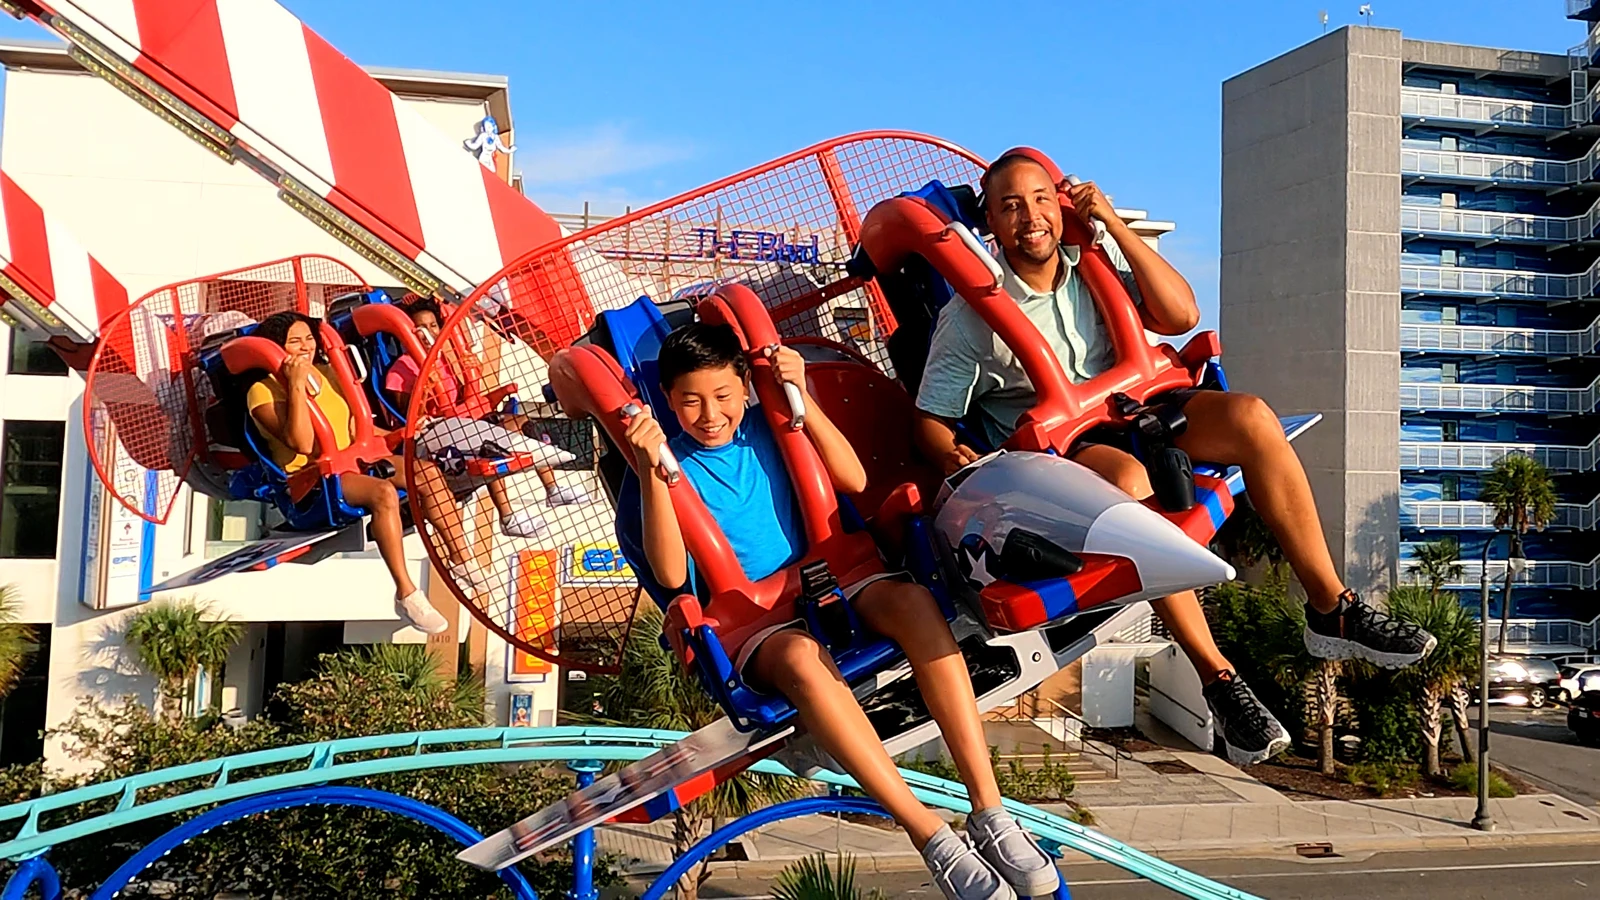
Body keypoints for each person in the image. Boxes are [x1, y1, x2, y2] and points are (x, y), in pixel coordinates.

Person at [911, 152, 1437, 766]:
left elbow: (1180, 315)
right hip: (1065, 447)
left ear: (1061, 205)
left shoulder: (1094, 266)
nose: (1030, 217)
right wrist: (955, 454)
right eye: (1010, 206)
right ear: (992, 226)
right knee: (1131, 487)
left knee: (1251, 418)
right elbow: (930, 418)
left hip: (1141, 410)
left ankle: (1331, 608)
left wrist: (1110, 223)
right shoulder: (973, 313)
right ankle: (1218, 678)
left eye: (1041, 200)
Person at [625, 323, 1052, 900]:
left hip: (831, 579)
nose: (708, 414)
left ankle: (991, 811)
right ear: (667, 400)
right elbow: (673, 575)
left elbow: (851, 478)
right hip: (755, 619)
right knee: (803, 659)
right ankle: (931, 836)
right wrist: (651, 467)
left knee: (914, 603)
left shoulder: (773, 426)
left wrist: (804, 400)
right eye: (690, 401)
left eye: (722, 396)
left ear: (745, 386)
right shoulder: (664, 463)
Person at [247, 311, 495, 635]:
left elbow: (356, 426)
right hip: (313, 481)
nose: (305, 346)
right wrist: (294, 384)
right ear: (277, 348)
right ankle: (406, 592)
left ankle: (461, 560)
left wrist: (400, 433)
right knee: (383, 493)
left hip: (355, 460)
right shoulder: (261, 391)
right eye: (295, 341)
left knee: (426, 474)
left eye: (309, 338)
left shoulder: (327, 374)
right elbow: (303, 442)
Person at [386, 296, 591, 533]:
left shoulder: (444, 360)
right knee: (489, 447)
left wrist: (476, 375)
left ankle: (553, 489)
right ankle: (508, 517)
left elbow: (461, 397)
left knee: (521, 424)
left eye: (433, 326)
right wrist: (424, 388)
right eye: (421, 328)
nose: (429, 333)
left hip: (462, 421)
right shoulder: (400, 369)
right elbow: (408, 415)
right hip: (433, 433)